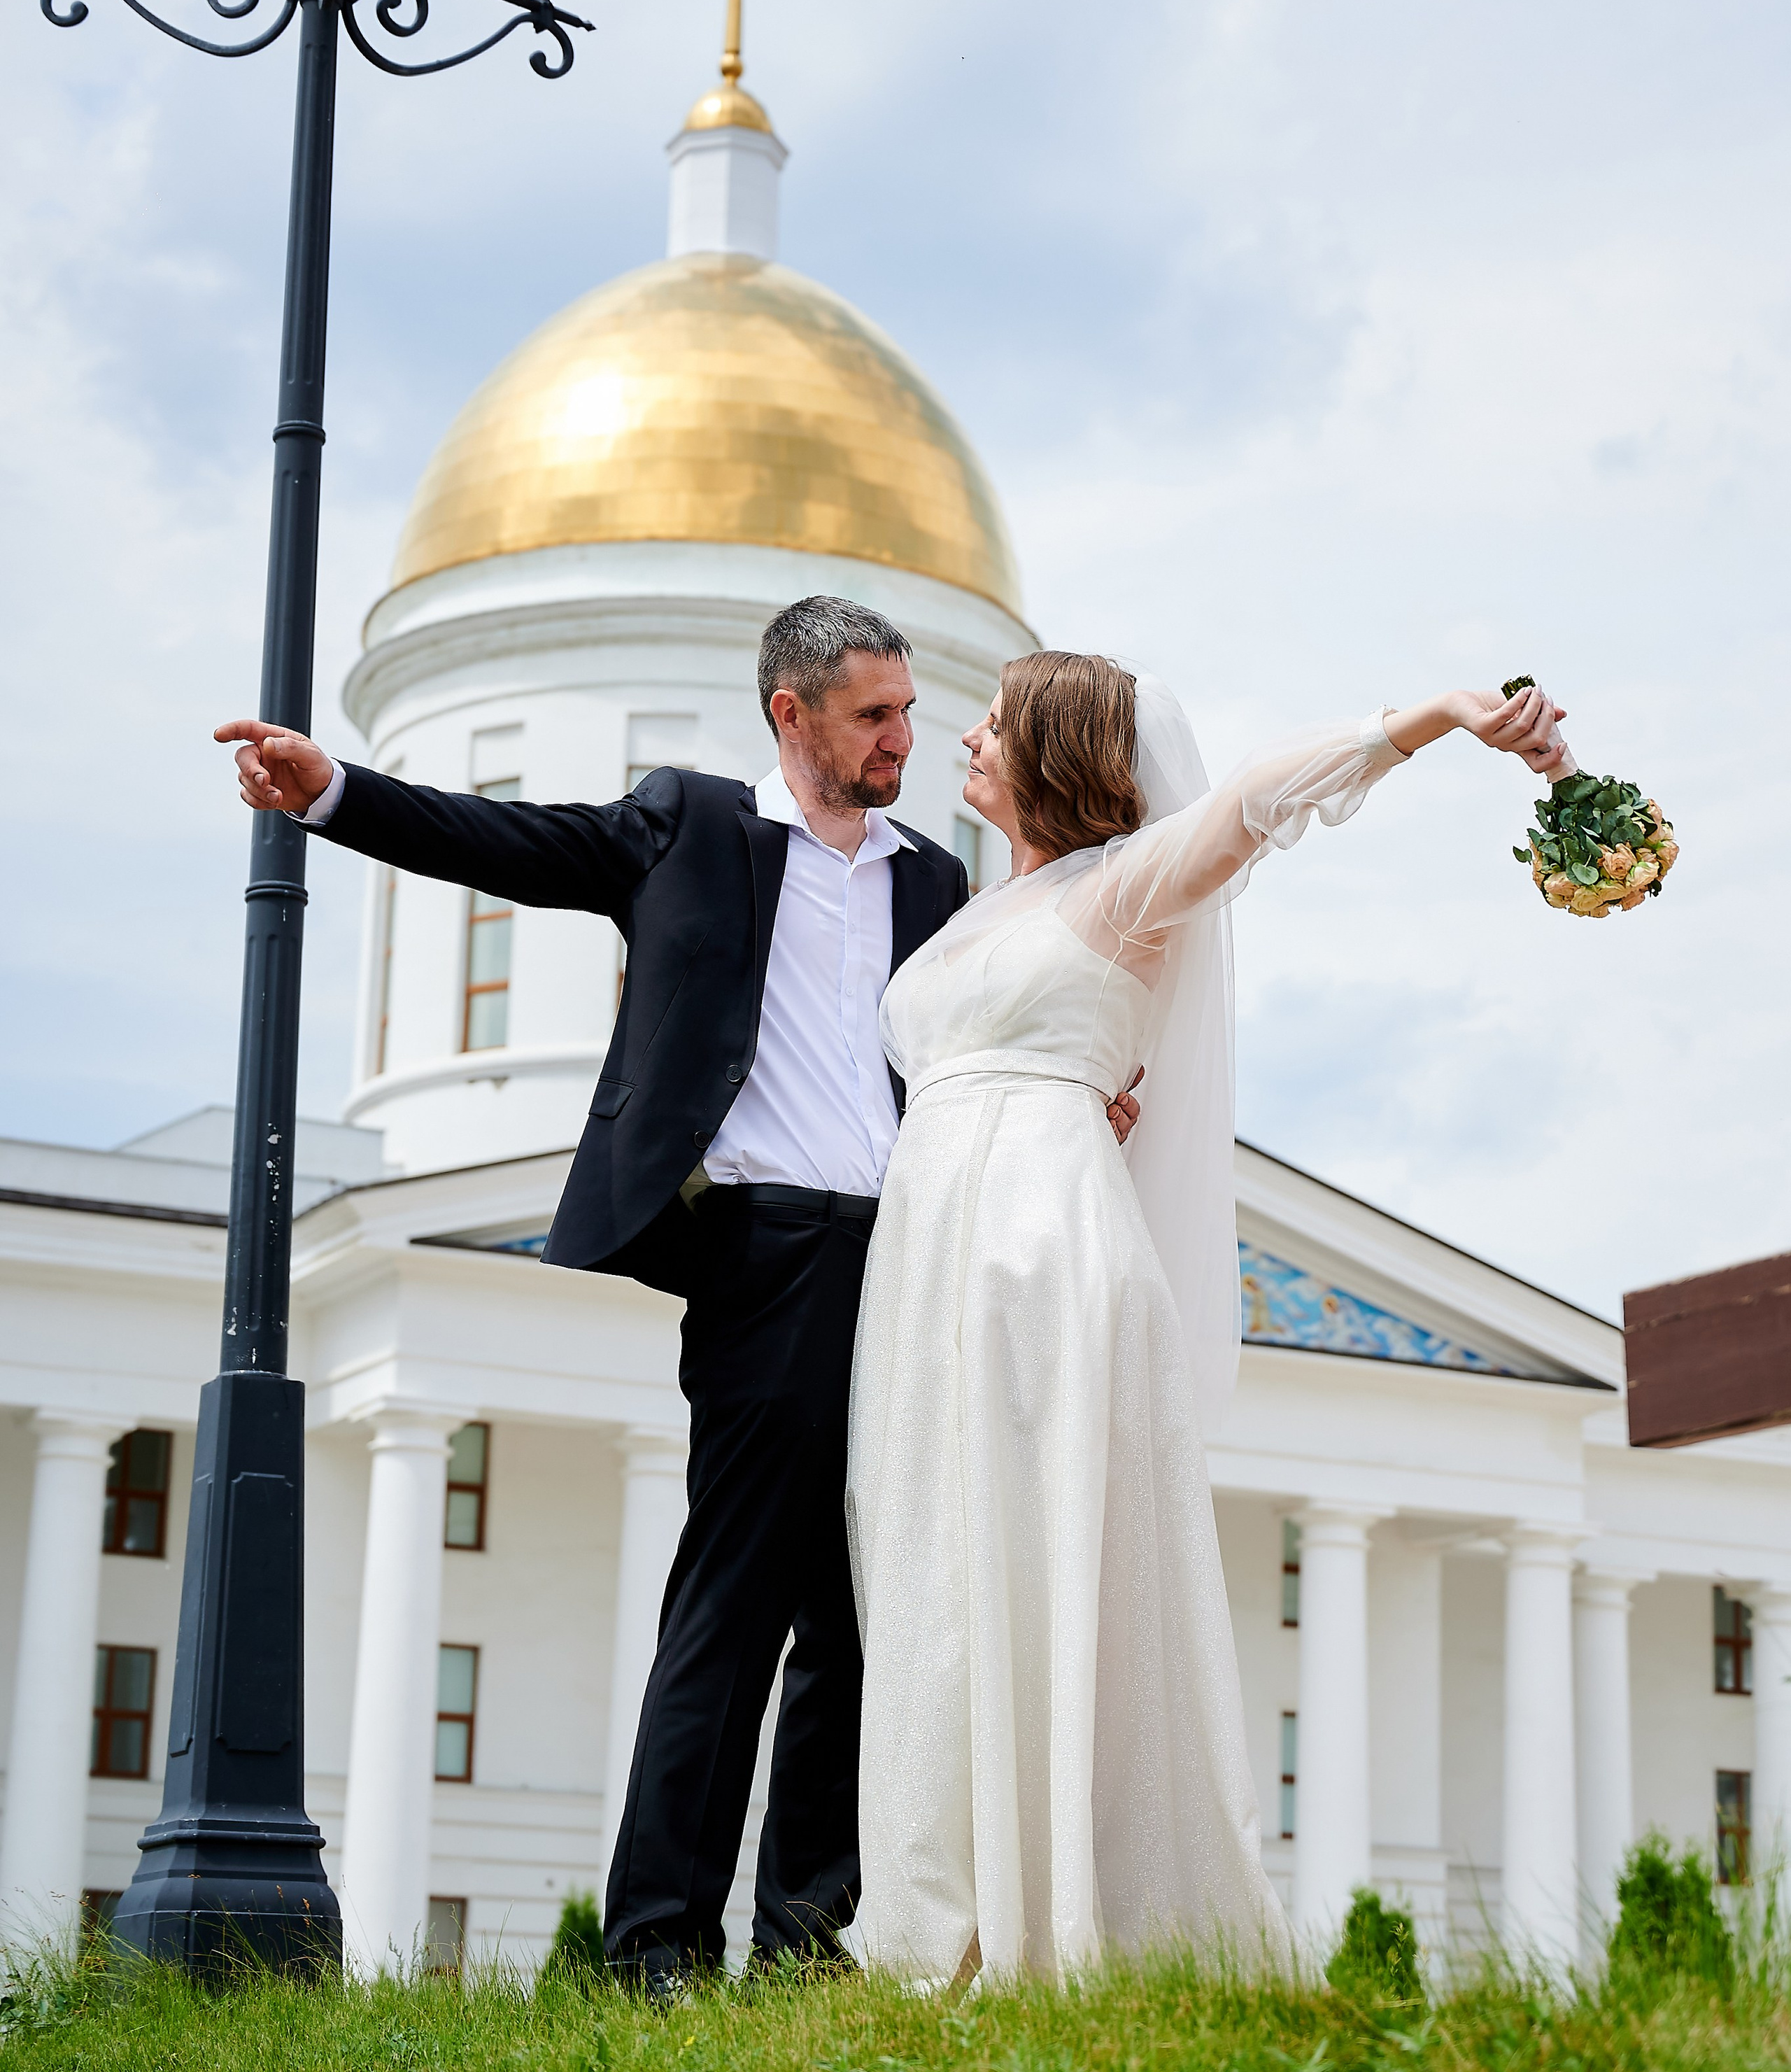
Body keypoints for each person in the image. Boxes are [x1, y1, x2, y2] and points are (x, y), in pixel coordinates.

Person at [215, 596, 1140, 1996]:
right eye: (872, 714)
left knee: (861, 1606)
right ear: (792, 712)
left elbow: (986, 1040)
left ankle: (806, 1928)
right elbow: (504, 844)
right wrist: (332, 792)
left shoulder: (938, 887)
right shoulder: (686, 828)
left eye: (906, 710)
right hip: (761, 1257)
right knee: (734, 1603)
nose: (902, 736)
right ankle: (655, 1937)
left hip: (911, 1260)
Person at [847, 660, 1575, 1985]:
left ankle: (1057, 1924)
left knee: (1042, 1549)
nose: (965, 731)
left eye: (996, 720)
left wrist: (1434, 714)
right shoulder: (971, 913)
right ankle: (936, 1918)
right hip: (931, 1257)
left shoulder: (1123, 886)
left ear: (1055, 750)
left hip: (1042, 1249)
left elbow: (1251, 800)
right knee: (939, 1560)